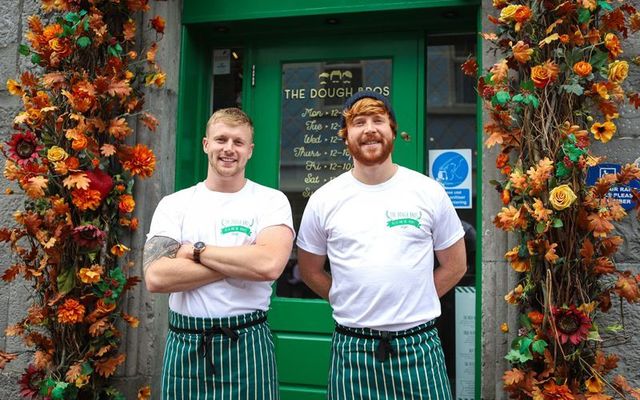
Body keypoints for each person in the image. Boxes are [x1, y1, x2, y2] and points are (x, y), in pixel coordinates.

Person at [296, 91, 467, 399]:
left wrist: (413, 298)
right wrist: (348, 299)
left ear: (393, 129)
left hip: (418, 345)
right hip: (352, 347)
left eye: (378, 120)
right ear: (345, 136)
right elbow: (310, 271)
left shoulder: (428, 191)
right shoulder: (324, 199)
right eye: (359, 122)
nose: (369, 129)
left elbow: (456, 265)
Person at [144, 108, 294, 400]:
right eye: (221, 139)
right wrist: (243, 260)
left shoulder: (271, 201)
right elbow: (157, 276)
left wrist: (197, 252)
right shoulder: (175, 204)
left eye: (238, 142)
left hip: (247, 342)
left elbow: (269, 265)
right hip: (186, 343)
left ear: (250, 151)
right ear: (205, 144)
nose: (229, 149)